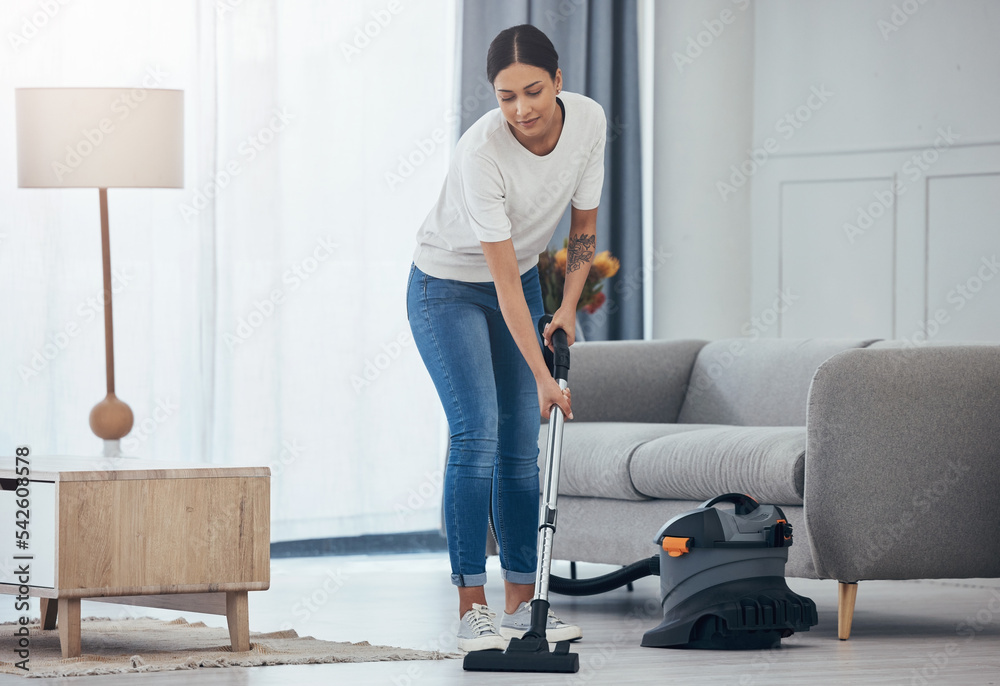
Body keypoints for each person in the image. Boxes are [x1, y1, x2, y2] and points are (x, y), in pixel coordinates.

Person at [406, 23, 606, 652]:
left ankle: (522, 603)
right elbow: (501, 284)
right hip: (447, 287)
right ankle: (472, 608)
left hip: (518, 279)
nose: (521, 109)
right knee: (478, 431)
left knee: (521, 445)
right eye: (505, 97)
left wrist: (569, 306)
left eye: (533, 91)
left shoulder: (590, 123)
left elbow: (581, 230)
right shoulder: (482, 152)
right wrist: (545, 378)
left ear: (559, 83)